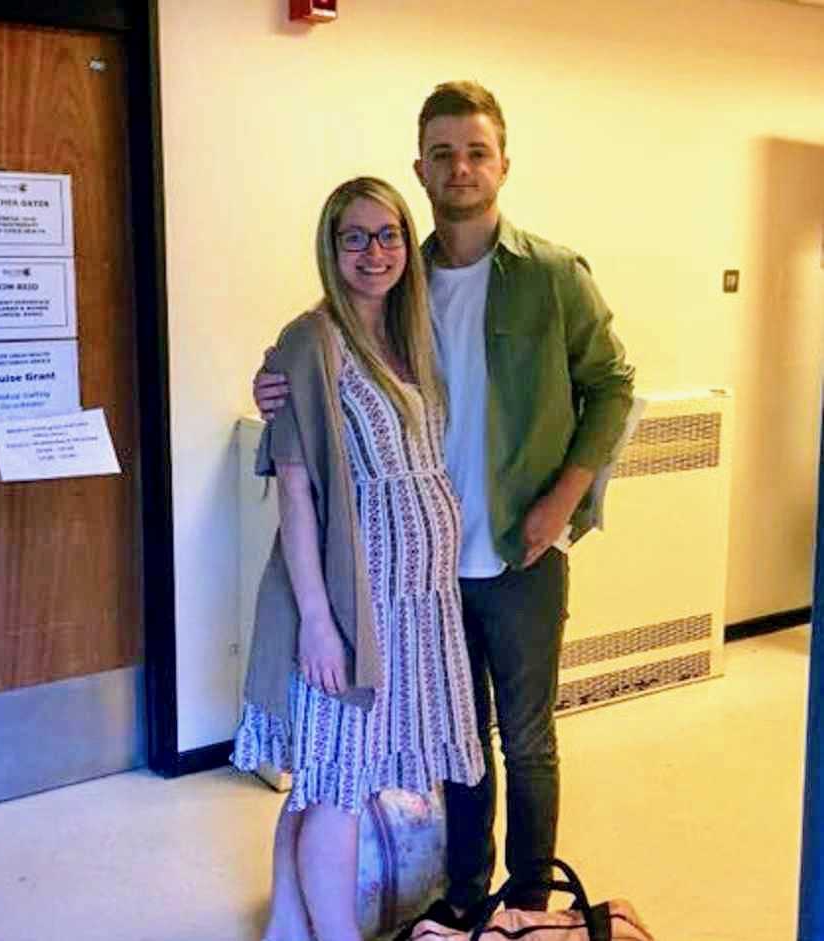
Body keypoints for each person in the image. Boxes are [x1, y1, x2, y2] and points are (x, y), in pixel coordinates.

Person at [252, 82, 636, 933]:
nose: (459, 167)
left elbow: (613, 386)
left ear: (503, 162)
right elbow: (322, 383)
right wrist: (276, 384)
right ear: (419, 167)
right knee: (462, 737)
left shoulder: (551, 276)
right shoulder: (400, 280)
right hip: (411, 580)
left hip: (519, 549)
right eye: (442, 152)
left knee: (526, 739)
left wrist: (562, 501)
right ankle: (467, 894)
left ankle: (527, 907)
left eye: (476, 150)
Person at [233, 175, 485, 941]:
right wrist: (318, 620)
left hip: (418, 599)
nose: (375, 253)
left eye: (389, 235)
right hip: (355, 597)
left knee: (332, 774)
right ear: (330, 247)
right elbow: (299, 492)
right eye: (355, 237)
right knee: (340, 779)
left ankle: (286, 922)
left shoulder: (408, 336)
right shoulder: (313, 341)